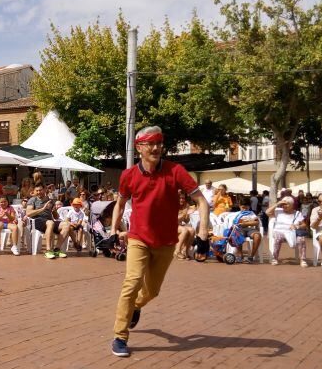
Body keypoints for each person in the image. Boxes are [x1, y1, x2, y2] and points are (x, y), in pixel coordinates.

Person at [109, 126, 209, 357]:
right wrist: (114, 230)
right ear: (139, 147)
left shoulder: (176, 171)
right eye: (150, 144)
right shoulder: (129, 175)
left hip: (165, 242)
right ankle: (119, 336)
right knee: (132, 282)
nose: (155, 148)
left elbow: (201, 201)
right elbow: (120, 204)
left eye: (159, 143)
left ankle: (135, 307)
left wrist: (203, 235)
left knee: (152, 291)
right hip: (138, 238)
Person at [26, 184, 72, 259]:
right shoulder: (32, 200)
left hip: (50, 221)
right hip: (37, 221)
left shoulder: (50, 200)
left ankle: (57, 249)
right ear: (34, 191)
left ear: (44, 190)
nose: (38, 192)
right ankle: (48, 250)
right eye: (37, 191)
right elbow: (28, 213)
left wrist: (54, 211)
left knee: (66, 225)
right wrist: (42, 209)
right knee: (50, 223)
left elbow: (56, 217)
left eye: (40, 190)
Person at [266, 195, 307, 267]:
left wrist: (297, 226)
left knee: (301, 239)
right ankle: (275, 258)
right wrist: (277, 204)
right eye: (283, 204)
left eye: (287, 204)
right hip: (279, 231)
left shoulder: (297, 213)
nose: (284, 206)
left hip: (292, 233)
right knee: (278, 238)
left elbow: (304, 225)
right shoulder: (278, 210)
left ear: (292, 205)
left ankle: (303, 260)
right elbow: (267, 212)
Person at [233, 197, 262, 264]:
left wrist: (245, 223)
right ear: (239, 206)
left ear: (249, 207)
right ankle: (240, 255)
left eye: (246, 208)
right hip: (240, 229)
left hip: (250, 229)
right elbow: (235, 223)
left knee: (257, 236)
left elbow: (256, 222)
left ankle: (251, 256)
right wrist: (249, 221)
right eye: (243, 207)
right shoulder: (237, 214)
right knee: (236, 235)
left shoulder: (251, 213)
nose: (245, 209)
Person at [174, 191, 195, 260]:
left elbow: (186, 221)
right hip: (170, 225)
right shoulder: (172, 205)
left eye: (183, 198)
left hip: (178, 226)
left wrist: (187, 214)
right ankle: (177, 251)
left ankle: (185, 251)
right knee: (184, 230)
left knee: (192, 230)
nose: (182, 200)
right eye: (180, 198)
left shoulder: (186, 205)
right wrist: (183, 214)